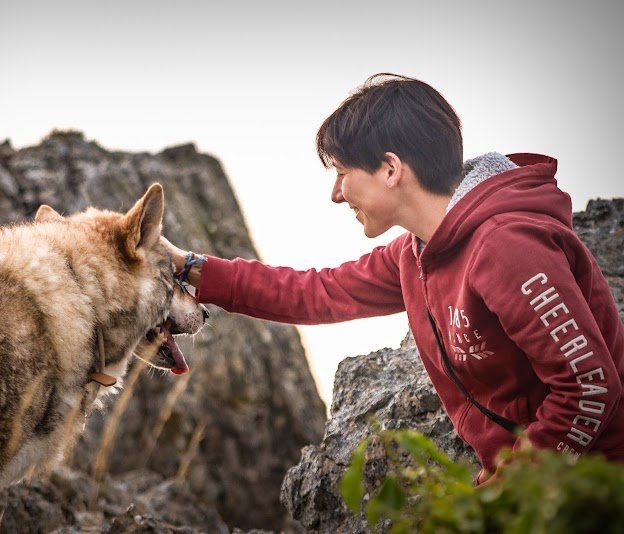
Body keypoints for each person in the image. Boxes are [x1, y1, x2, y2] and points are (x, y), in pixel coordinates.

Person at [163, 73, 624, 485]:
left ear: (390, 169)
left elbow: (588, 387)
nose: (336, 194)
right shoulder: (416, 252)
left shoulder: (506, 246)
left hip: (594, 488)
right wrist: (185, 265)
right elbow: (313, 292)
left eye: (343, 173)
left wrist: (510, 491)